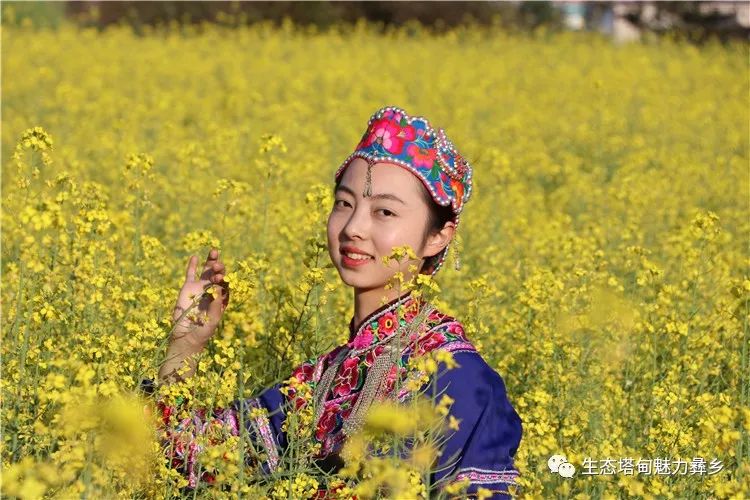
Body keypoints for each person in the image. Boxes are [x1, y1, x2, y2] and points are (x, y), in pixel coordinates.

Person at [145, 105, 523, 498]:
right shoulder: (324, 380)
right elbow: (185, 464)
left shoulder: (459, 379)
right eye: (344, 203)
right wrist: (186, 344)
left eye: (385, 211)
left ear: (438, 237)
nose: (354, 227)